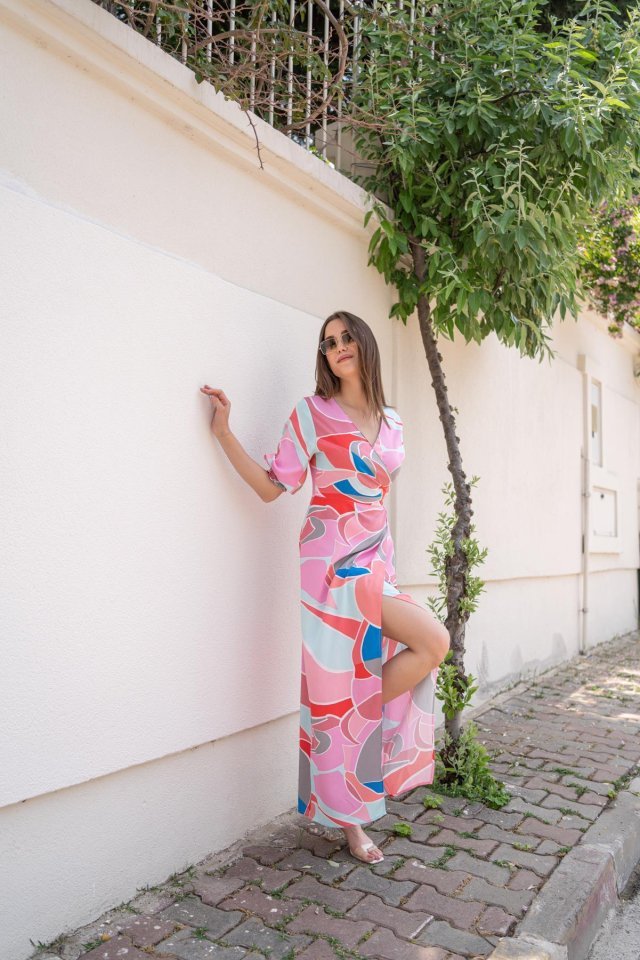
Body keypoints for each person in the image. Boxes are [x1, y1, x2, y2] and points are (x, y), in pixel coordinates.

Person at [200, 310, 450, 865]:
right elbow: (273, 487)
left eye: (345, 337)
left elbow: (378, 497)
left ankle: (345, 736)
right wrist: (223, 433)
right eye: (328, 342)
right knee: (426, 643)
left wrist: (387, 561)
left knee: (418, 651)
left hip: (375, 559)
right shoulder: (312, 413)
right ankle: (352, 825)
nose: (337, 347)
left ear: (364, 344)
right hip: (331, 563)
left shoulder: (393, 421)